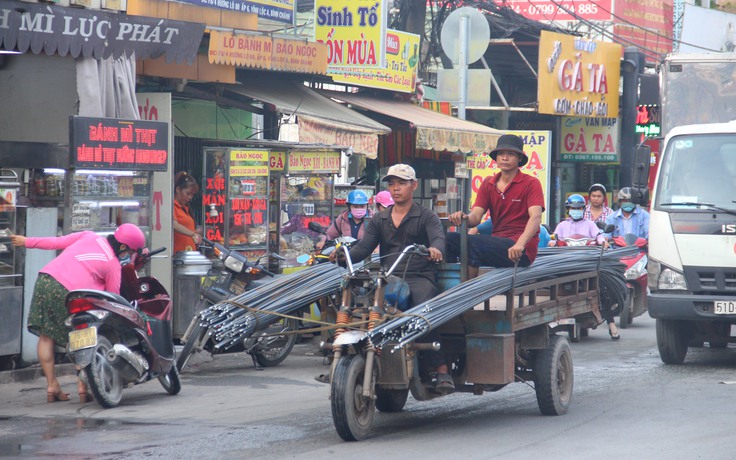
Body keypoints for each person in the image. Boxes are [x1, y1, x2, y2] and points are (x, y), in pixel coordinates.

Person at [10, 224, 146, 403]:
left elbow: (57, 242)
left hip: (45, 280)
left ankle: (52, 385)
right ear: (123, 247)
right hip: (69, 293)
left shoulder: (89, 236)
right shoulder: (113, 266)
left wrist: (27, 241)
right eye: (129, 252)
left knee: (45, 337)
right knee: (81, 337)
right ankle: (83, 387)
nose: (128, 256)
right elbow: (113, 301)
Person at [345, 164, 450, 388]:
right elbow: (363, 248)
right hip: (388, 277)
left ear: (414, 185)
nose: (396, 188)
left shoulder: (426, 216)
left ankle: (440, 368)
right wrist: (343, 256)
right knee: (361, 307)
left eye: (401, 183)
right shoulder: (380, 219)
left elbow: (438, 239)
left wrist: (436, 249)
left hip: (419, 276)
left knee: (424, 312)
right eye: (392, 184)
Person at [447, 134, 545, 277]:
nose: (505, 158)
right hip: (497, 243)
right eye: (501, 154)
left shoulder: (531, 183)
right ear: (496, 158)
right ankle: (447, 288)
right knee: (448, 240)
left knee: (474, 244)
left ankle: (467, 293)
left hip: (520, 249)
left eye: (510, 154)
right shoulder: (488, 183)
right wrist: (462, 217)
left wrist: (520, 244)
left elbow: (536, 217)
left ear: (519, 158)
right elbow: (475, 218)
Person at [173, 172, 202, 253]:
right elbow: (174, 224)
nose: (190, 197)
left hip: (188, 254)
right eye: (188, 193)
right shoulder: (172, 206)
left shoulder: (185, 209)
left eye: (192, 195)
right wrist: (193, 234)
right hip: (178, 255)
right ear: (178, 189)